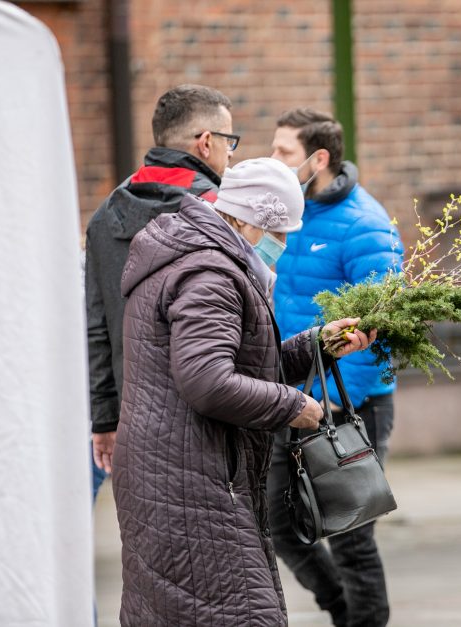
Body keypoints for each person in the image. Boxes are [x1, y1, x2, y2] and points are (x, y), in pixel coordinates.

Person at [112, 157, 376, 625]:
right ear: (248, 220)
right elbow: (208, 381)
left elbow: (241, 362)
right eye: (280, 231)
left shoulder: (197, 256)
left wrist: (319, 345)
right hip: (195, 481)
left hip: (186, 474)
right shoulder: (210, 274)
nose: (285, 243)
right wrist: (294, 405)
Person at [267, 108, 403, 627]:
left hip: (347, 403)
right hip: (288, 394)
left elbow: (381, 330)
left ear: (317, 158)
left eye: (284, 151)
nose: (273, 158)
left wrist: (329, 401)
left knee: (350, 532)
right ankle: (344, 610)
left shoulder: (365, 226)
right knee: (279, 523)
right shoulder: (286, 212)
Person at [85, 84, 237, 493]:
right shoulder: (220, 214)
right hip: (211, 419)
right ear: (206, 143)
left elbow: (96, 328)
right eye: (229, 141)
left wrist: (104, 420)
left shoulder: (105, 215)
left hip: (136, 423)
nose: (231, 153)